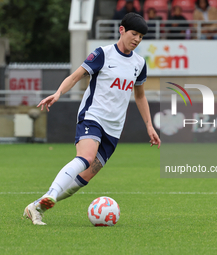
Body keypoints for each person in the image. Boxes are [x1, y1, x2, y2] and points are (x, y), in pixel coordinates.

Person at [23, 13, 161, 225]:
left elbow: (140, 95)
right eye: (134, 34)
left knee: (82, 180)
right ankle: (51, 193)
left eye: (141, 37)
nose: (137, 39)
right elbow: (75, 76)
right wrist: (59, 93)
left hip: (114, 129)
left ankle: (36, 206)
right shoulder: (102, 54)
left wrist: (149, 126)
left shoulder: (139, 63)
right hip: (93, 116)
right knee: (86, 157)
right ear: (122, 30)